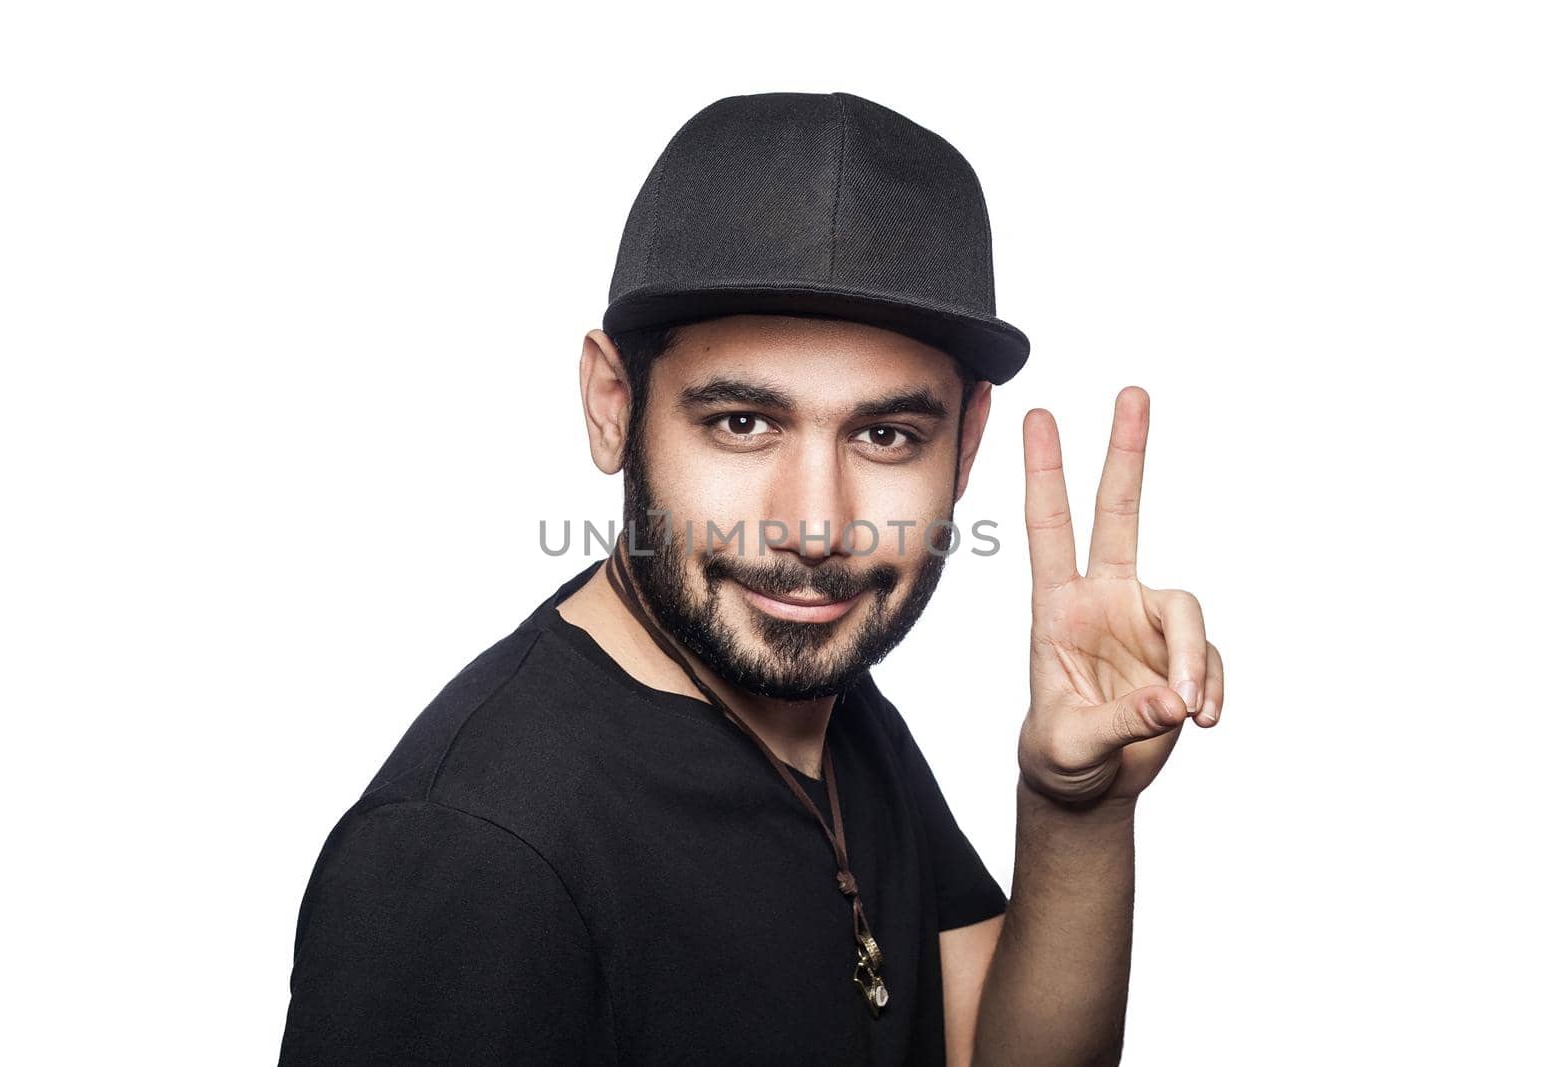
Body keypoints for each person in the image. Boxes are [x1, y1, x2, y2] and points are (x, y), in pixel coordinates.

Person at [277, 91, 1223, 1066]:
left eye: (886, 433)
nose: (815, 525)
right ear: (613, 405)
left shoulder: (829, 707)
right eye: (741, 421)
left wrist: (1078, 814)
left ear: (966, 442)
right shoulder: (473, 855)